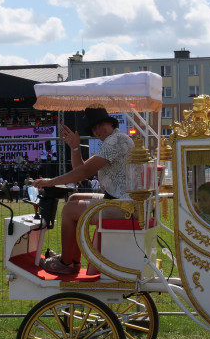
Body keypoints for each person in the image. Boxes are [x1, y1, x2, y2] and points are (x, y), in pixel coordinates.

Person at [32, 107, 134, 275]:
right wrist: (74, 148)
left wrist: (51, 182)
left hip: (125, 206)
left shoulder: (115, 141)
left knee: (69, 210)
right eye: (94, 128)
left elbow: (83, 172)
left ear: (110, 123)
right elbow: (81, 170)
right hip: (121, 200)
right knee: (73, 199)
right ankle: (72, 260)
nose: (98, 131)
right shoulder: (114, 140)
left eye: (101, 125)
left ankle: (66, 263)